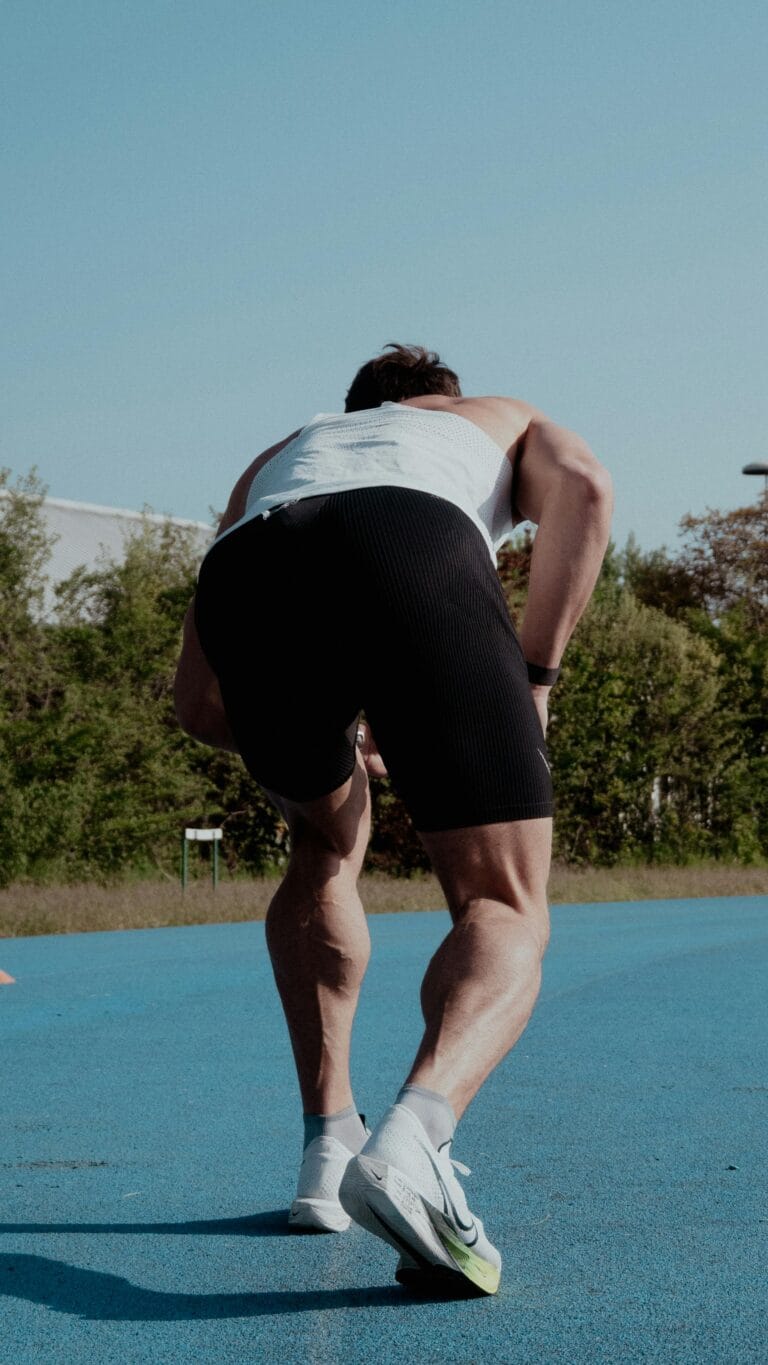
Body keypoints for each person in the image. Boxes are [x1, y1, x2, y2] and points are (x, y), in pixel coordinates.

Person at [174, 342, 613, 1296]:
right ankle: (415, 1138)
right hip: (411, 541)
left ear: (356, 406)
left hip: (253, 569)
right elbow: (585, 487)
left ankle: (328, 1144)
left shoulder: (285, 453)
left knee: (325, 845)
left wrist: (335, 741)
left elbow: (198, 706)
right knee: (503, 900)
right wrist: (534, 678)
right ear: (439, 398)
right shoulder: (495, 415)